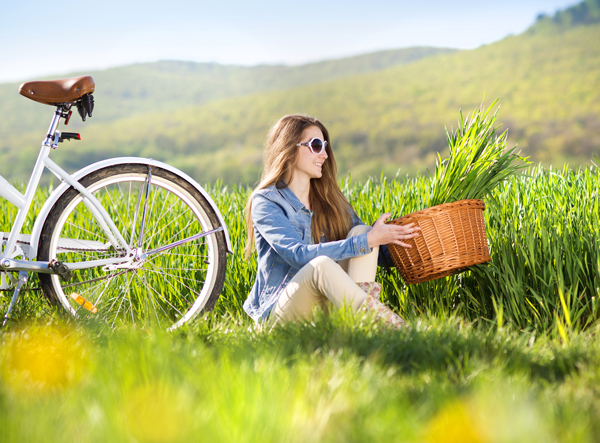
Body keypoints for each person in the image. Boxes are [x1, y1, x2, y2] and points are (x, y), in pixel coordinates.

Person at [243, 114, 420, 328]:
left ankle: (360, 329)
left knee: (361, 232)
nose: (325, 155)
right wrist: (368, 241)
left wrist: (411, 239)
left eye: (325, 146)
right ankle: (395, 328)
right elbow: (297, 255)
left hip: (326, 311)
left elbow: (369, 250)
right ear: (289, 149)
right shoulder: (266, 201)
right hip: (280, 315)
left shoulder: (329, 202)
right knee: (321, 265)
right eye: (316, 146)